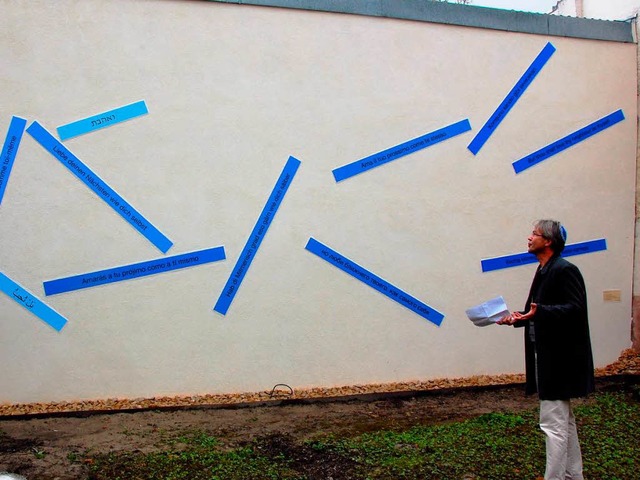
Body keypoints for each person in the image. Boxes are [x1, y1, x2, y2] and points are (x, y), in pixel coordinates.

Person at [498, 219, 595, 480]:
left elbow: (575, 309)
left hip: (560, 360)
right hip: (546, 357)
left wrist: (540, 312)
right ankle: (574, 476)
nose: (529, 238)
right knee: (565, 423)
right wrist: (517, 318)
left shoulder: (565, 270)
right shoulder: (543, 270)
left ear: (548, 241)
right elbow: (535, 311)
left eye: (534, 234)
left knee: (553, 425)